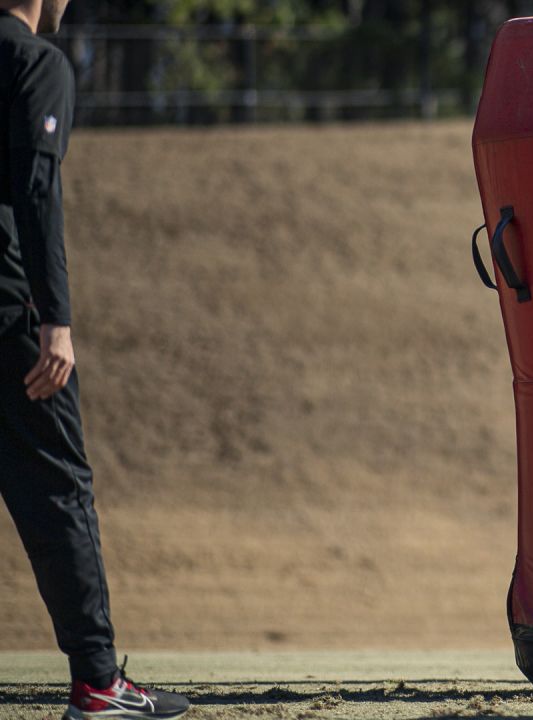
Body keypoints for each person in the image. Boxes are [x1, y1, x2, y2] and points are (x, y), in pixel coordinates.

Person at [0, 2, 189, 717]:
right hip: (11, 319)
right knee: (57, 491)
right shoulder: (34, 62)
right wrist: (56, 321)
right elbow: (37, 192)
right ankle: (98, 682)